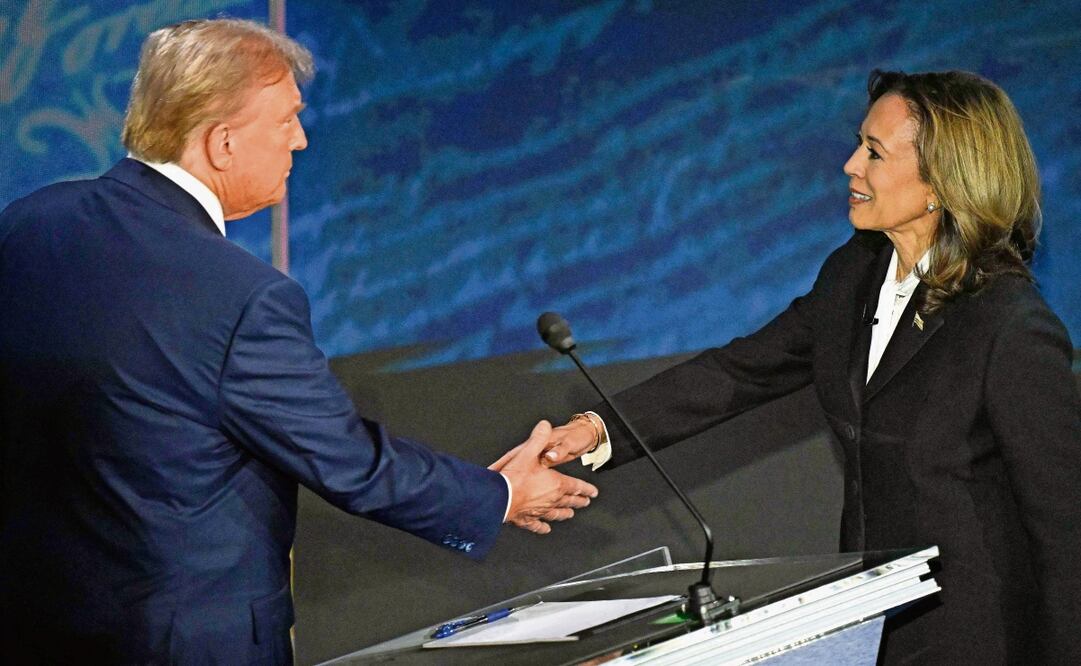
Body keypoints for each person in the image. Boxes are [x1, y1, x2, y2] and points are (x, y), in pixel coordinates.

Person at [0, 18, 597, 664]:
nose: (301, 139)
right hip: (189, 644)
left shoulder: (30, 224)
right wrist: (500, 495)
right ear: (223, 142)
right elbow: (350, 462)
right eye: (286, 120)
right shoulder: (240, 295)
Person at [541, 70, 1081, 664]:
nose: (851, 165)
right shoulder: (855, 272)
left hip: (979, 639)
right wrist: (595, 430)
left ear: (942, 180)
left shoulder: (1008, 324)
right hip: (872, 627)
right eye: (858, 145)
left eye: (874, 152)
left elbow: (1065, 527)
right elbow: (741, 371)